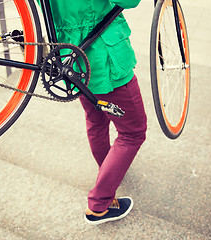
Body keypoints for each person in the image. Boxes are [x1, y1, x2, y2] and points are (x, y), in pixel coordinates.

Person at [48, 0, 147, 225]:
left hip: (73, 58)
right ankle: (99, 205)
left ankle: (110, 171)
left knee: (96, 121)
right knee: (133, 133)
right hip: (105, 57)